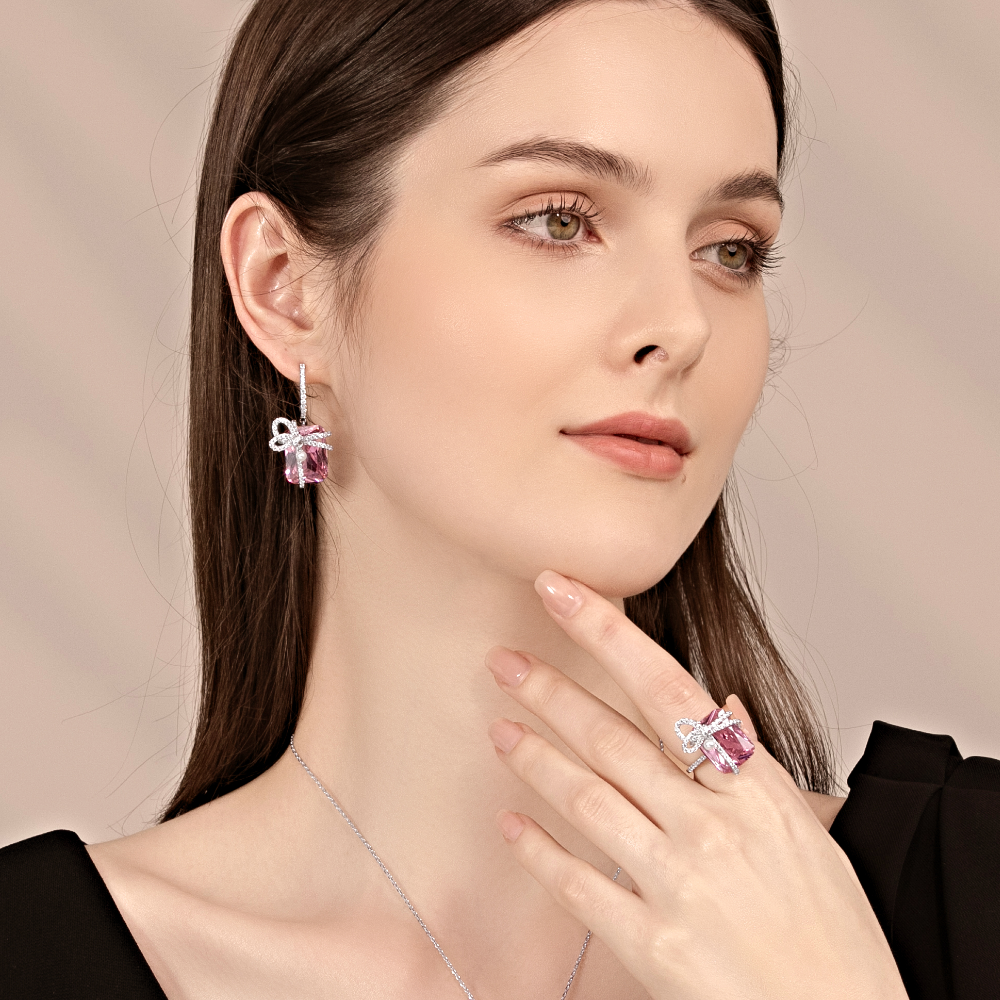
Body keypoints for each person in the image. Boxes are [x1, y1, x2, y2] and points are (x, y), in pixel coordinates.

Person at [1, 1, 997, 997]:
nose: (683, 323)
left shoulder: (973, 886)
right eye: (560, 220)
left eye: (729, 248)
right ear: (283, 287)